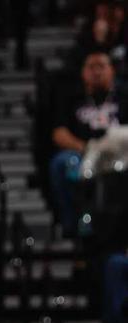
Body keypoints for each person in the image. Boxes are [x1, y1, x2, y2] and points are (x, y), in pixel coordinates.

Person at [50, 51, 128, 236]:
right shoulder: (71, 97)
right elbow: (58, 133)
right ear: (83, 72)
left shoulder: (124, 96)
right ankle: (73, 225)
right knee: (64, 163)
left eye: (101, 66)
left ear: (112, 70)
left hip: (121, 153)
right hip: (82, 153)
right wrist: (85, 148)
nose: (96, 72)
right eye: (91, 67)